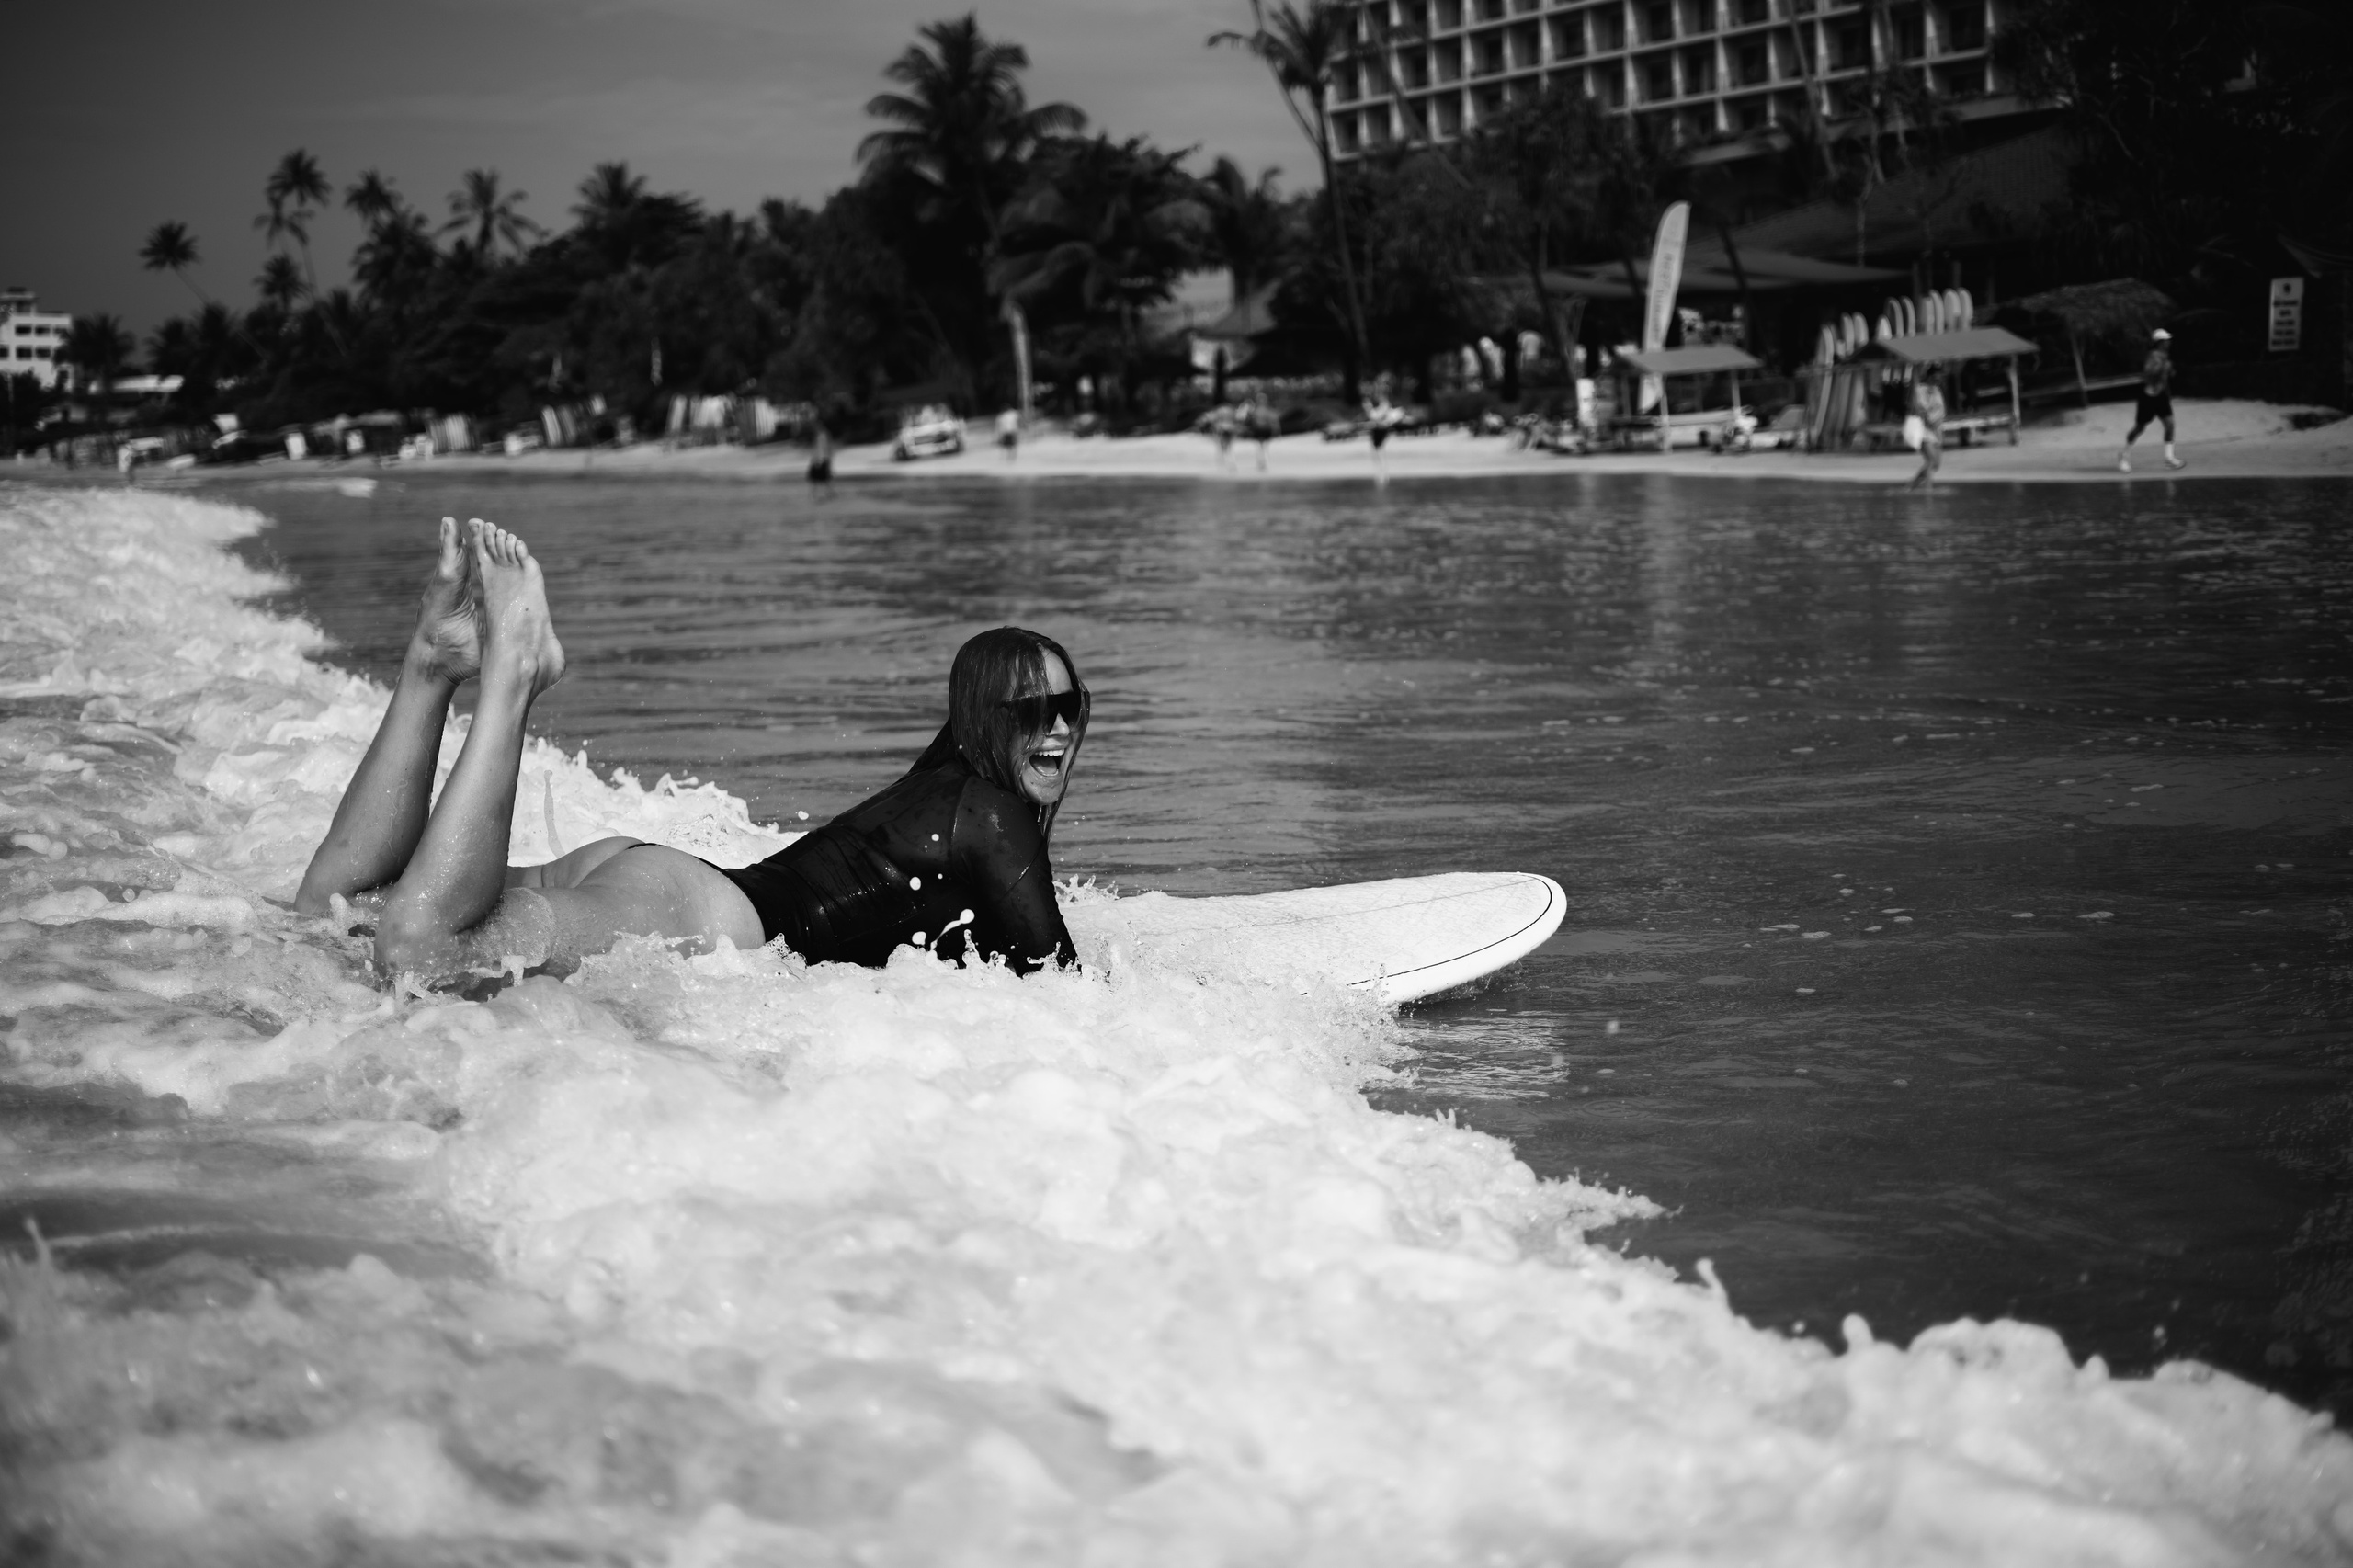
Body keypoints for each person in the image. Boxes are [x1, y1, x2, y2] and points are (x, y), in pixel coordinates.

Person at [297, 518, 1086, 985]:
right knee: (423, 950)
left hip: (659, 879)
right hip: (701, 915)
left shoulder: (949, 788)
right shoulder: (993, 813)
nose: (1056, 729)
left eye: (1069, 706)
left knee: (339, 911)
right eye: (1032, 712)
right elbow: (1064, 985)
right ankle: (514, 674)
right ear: (981, 718)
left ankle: (432, 665)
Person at [2120, 327, 2185, 472]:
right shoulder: (2153, 356)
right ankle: (2124, 456)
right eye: (2166, 340)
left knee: (2170, 424)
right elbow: (2148, 374)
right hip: (2148, 397)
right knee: (2139, 428)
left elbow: (2166, 375)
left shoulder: (2164, 356)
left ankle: (2169, 458)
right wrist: (2162, 368)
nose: (2169, 342)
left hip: (2161, 395)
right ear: (2160, 342)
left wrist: (2168, 372)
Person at [1907, 365, 1946, 490]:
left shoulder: (1937, 391)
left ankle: (1912, 486)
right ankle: (1928, 491)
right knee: (1931, 461)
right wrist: (1930, 419)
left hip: (1937, 430)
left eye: (1939, 378)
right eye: (1936, 378)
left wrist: (1936, 421)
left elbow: (1942, 410)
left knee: (1937, 464)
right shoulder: (1919, 390)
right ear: (1930, 377)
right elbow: (1921, 408)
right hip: (1924, 430)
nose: (1938, 380)